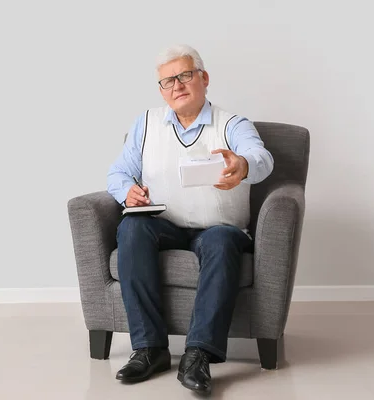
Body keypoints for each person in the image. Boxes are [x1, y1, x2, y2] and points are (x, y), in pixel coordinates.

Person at [106, 44, 274, 396]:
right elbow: (119, 172)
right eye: (168, 81)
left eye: (184, 75)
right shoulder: (146, 123)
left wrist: (242, 166)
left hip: (217, 229)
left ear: (203, 78)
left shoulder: (232, 124)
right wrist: (127, 192)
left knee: (222, 240)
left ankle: (198, 354)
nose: (177, 86)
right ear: (161, 90)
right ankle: (149, 349)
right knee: (131, 227)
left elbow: (261, 157)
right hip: (163, 225)